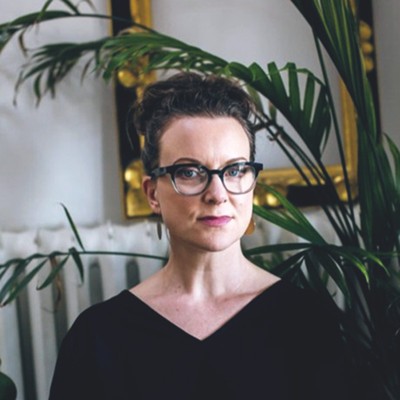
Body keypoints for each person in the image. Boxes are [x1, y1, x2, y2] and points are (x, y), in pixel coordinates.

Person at [49, 72, 350, 399]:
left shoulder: (306, 323)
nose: (218, 194)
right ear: (152, 193)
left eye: (235, 171)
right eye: (190, 172)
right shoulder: (98, 337)